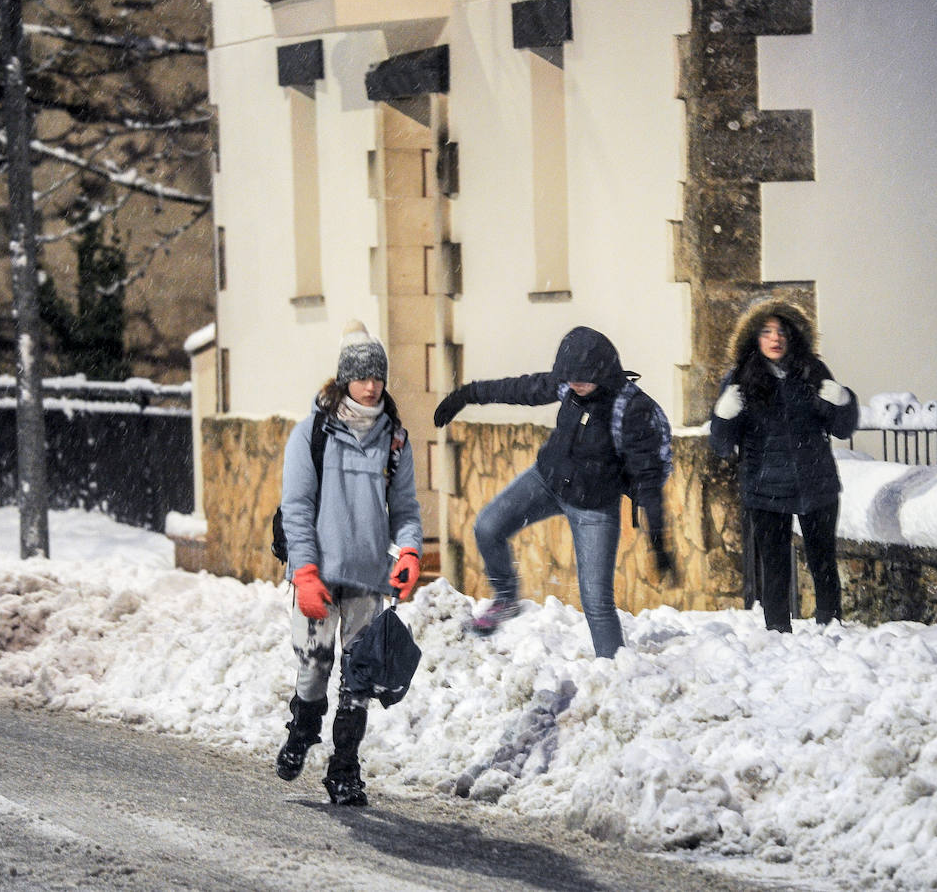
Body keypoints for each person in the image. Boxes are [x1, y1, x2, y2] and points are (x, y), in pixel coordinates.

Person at [432, 326, 673, 659]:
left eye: (583, 378)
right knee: (487, 526)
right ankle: (505, 598)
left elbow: (647, 478)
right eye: (570, 377)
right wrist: (466, 395)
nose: (574, 384)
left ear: (602, 372)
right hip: (546, 481)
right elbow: (520, 388)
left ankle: (615, 670)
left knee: (596, 600)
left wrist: (658, 539)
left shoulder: (631, 410)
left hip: (594, 507)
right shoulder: (569, 385)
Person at [274, 320, 423, 806]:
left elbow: (405, 511)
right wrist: (305, 571)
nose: (371, 384)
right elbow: (296, 508)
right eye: (361, 375)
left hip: (366, 579)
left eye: (377, 375)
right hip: (317, 575)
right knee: (315, 668)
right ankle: (303, 729)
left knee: (358, 681)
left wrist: (410, 551)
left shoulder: (395, 441)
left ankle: (344, 770)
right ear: (344, 379)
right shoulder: (311, 434)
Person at [709, 299, 858, 632]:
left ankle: (830, 631)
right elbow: (720, 445)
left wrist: (844, 402)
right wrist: (723, 414)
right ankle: (777, 636)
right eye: (766, 331)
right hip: (766, 489)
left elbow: (842, 428)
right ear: (754, 338)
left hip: (816, 483)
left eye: (781, 331)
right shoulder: (741, 379)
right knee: (775, 570)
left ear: (793, 336)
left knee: (823, 564)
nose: (774, 338)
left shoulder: (812, 371)